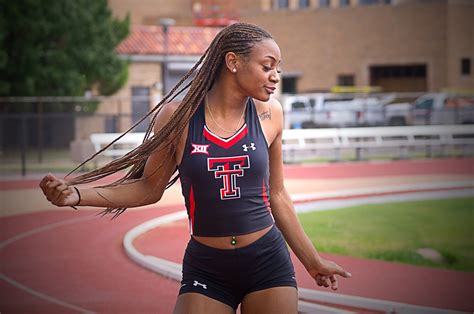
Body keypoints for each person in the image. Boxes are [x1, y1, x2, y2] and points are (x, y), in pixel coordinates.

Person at [40, 22, 351, 314]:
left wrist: (313, 261)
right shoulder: (177, 118)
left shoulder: (272, 115)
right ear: (233, 62)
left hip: (268, 260)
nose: (275, 77)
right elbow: (148, 189)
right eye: (267, 66)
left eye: (278, 69)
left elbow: (278, 195)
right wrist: (76, 195)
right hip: (207, 267)